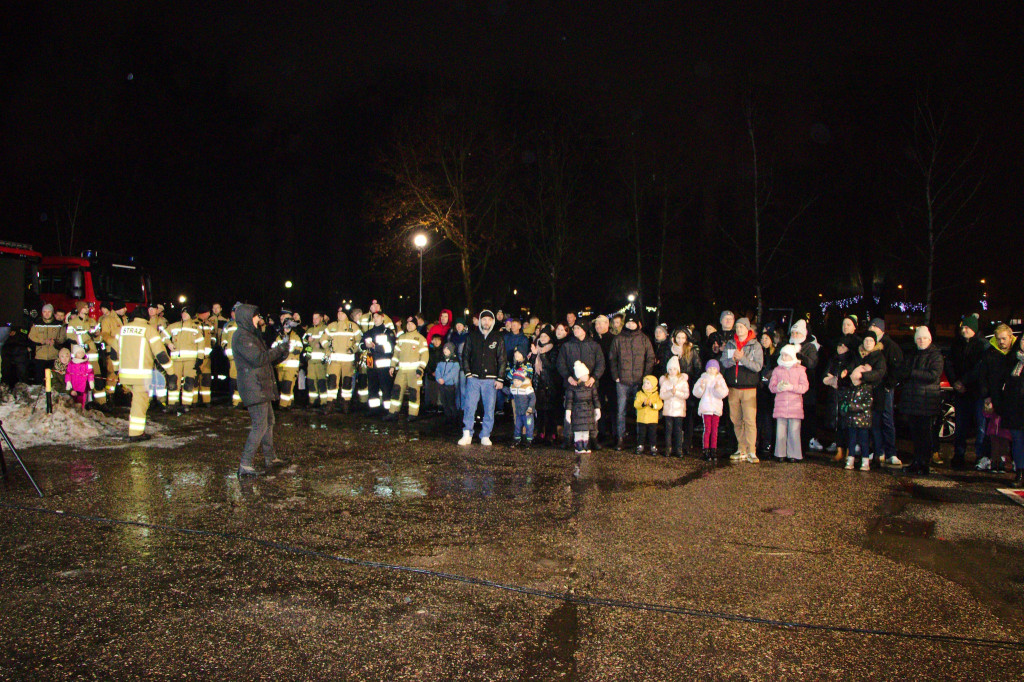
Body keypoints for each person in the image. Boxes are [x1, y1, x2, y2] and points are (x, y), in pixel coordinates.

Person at [231, 304, 289, 475]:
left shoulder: (251, 335)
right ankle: (245, 464)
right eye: (256, 316)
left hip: (260, 385)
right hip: (253, 386)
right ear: (248, 318)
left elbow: (265, 360)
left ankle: (270, 458)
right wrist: (278, 349)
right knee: (260, 425)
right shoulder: (241, 336)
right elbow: (257, 359)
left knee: (269, 422)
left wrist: (281, 353)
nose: (259, 319)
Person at [117, 307, 176, 442]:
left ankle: (136, 430)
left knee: (136, 402)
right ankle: (136, 433)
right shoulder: (148, 330)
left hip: (125, 374)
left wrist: (116, 369)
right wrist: (171, 371)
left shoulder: (124, 329)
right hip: (141, 375)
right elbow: (160, 354)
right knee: (140, 404)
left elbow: (116, 350)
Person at [969, 323, 1018, 471]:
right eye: (998, 339)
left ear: (1011, 337)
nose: (1001, 342)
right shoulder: (990, 353)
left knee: (1012, 433)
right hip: (995, 399)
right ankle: (992, 459)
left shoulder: (1016, 353)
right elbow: (983, 377)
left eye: (1004, 338)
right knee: (992, 431)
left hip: (1013, 400)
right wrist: (987, 397)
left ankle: (1013, 461)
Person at [898, 326, 944, 475]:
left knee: (925, 434)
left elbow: (933, 375)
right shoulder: (913, 354)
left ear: (929, 339)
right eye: (919, 338)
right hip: (913, 401)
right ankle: (916, 461)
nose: (922, 341)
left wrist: (912, 373)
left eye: (924, 338)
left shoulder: (935, 355)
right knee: (915, 434)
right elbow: (903, 371)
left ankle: (924, 463)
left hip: (926, 401)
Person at [836, 332, 886, 471]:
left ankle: (875, 456)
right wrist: (847, 373)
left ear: (875, 343)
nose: (868, 343)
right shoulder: (858, 354)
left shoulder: (878, 356)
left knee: (873, 429)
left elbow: (879, 373)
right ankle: (854, 457)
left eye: (871, 340)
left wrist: (862, 376)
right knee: (855, 433)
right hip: (856, 393)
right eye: (866, 340)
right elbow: (851, 368)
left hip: (873, 395)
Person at [458, 310, 506, 446]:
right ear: (480, 321)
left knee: (489, 408)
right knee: (469, 406)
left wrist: (500, 378)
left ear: (493, 321)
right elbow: (465, 356)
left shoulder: (498, 337)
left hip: (491, 379)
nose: (486, 322)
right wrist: (468, 373)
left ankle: (485, 434)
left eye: (489, 320)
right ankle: (467, 433)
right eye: (483, 319)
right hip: (474, 378)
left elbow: (502, 359)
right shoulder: (472, 336)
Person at [719, 317, 764, 463]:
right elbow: (724, 362)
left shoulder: (755, 345)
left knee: (750, 420)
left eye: (741, 327)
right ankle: (741, 448)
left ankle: (752, 450)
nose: (739, 330)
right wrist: (733, 359)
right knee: (736, 419)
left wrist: (742, 358)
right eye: (737, 327)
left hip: (749, 388)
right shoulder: (731, 344)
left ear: (747, 328)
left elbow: (758, 366)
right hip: (733, 387)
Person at [946, 313, 987, 469]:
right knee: (961, 426)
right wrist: (955, 382)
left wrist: (963, 381)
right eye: (963, 327)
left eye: (968, 328)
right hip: (961, 392)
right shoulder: (956, 344)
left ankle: (980, 456)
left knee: (980, 425)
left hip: (976, 391)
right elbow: (949, 363)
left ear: (974, 329)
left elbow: (980, 368)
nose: (964, 330)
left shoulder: (982, 345)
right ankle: (959, 454)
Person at [557, 320, 606, 450]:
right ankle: (568, 438)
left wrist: (594, 377)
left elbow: (601, 363)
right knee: (569, 411)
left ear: (584, 329)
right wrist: (568, 377)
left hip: (590, 385)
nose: (575, 330)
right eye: (574, 328)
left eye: (578, 328)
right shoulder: (567, 346)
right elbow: (560, 363)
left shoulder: (594, 346)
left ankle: (593, 439)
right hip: (571, 385)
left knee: (591, 413)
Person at [609, 313, 655, 449]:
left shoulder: (644, 339)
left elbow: (650, 358)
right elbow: (613, 358)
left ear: (637, 324)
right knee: (620, 411)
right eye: (628, 323)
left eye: (633, 323)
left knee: (639, 410)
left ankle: (639, 439)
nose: (630, 325)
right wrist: (615, 375)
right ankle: (620, 437)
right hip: (622, 380)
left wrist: (646, 377)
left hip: (639, 381)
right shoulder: (618, 339)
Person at [867, 318, 904, 468]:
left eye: (875, 327)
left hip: (885, 388)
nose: (872, 328)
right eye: (871, 326)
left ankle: (891, 452)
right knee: (874, 419)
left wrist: (889, 384)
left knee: (887, 419)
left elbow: (897, 368)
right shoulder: (870, 344)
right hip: (874, 388)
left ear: (882, 329)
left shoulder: (891, 346)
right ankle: (878, 450)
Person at [770, 344, 810, 463]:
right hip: (781, 404)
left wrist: (792, 387)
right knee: (780, 430)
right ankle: (780, 453)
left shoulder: (800, 370)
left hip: (795, 405)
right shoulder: (777, 369)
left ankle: (794, 454)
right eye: (782, 355)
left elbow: (804, 387)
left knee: (794, 430)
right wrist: (779, 387)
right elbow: (771, 386)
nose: (783, 357)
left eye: (786, 355)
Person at [994, 335, 1024, 488]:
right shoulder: (1012, 361)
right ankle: (1019, 473)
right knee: (1018, 441)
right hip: (1014, 409)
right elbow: (1001, 383)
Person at [385, 316, 429, 421]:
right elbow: (396, 354)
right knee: (396, 391)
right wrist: (392, 366)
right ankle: (393, 412)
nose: (409, 326)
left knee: (414, 393)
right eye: (408, 324)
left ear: (415, 325)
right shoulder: (401, 338)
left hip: (414, 372)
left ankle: (413, 414)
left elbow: (425, 356)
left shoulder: (421, 339)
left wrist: (421, 369)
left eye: (411, 324)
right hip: (401, 370)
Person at [822, 336, 856, 463]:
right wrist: (832, 379)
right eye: (838, 346)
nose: (840, 348)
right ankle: (839, 449)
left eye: (843, 346)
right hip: (834, 394)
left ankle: (848, 451)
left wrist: (838, 379)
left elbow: (847, 376)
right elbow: (826, 375)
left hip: (846, 394)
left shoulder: (851, 359)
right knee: (837, 423)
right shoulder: (834, 359)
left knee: (846, 423)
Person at [788, 319, 820, 451]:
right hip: (790, 388)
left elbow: (812, 363)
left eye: (797, 333)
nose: (795, 335)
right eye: (793, 333)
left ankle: (805, 443)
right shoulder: (788, 345)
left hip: (807, 389)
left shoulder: (810, 347)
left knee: (806, 417)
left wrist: (799, 356)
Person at [65, 302, 105, 404]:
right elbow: (70, 338)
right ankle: (80, 403)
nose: (87, 309)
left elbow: (99, 340)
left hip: (92, 354)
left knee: (96, 377)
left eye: (87, 307)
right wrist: (86, 335)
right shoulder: (73, 323)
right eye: (84, 307)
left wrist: (96, 335)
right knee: (79, 380)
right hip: (79, 358)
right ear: (79, 309)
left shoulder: (92, 321)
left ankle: (101, 402)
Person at [670, 328, 702, 453]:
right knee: (675, 416)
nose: (681, 340)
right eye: (678, 337)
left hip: (687, 386)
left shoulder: (692, 351)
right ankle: (675, 442)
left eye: (683, 338)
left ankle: (687, 443)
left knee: (688, 416)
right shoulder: (670, 350)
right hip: (673, 387)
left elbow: (698, 367)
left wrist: (689, 377)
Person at [165, 307, 204, 411]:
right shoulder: (173, 326)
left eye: (186, 313)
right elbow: (162, 335)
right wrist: (168, 343)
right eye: (183, 313)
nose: (184, 315)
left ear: (191, 315)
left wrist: (200, 358)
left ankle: (186, 404)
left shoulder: (196, 328)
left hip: (190, 360)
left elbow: (201, 344)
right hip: (176, 359)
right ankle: (172, 404)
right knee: (173, 382)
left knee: (189, 382)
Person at [362, 310, 397, 414]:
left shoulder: (388, 332)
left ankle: (388, 410)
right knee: (372, 388)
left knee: (386, 388)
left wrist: (375, 346)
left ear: (383, 317)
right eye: (374, 317)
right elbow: (360, 345)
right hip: (371, 364)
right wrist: (365, 346)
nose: (375, 318)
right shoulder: (369, 332)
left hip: (384, 365)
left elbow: (390, 348)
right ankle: (374, 409)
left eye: (377, 316)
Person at [532, 328, 562, 446]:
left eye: (545, 336)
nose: (543, 338)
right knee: (539, 411)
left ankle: (551, 433)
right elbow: (532, 364)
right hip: (538, 384)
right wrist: (534, 355)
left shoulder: (553, 349)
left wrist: (542, 355)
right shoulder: (536, 349)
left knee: (550, 411)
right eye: (541, 336)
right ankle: (540, 433)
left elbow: (552, 366)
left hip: (550, 384)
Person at [693, 360, 729, 461]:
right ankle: (706, 449)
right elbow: (696, 393)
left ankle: (713, 449)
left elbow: (724, 393)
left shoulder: (720, 379)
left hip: (716, 407)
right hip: (706, 407)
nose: (712, 370)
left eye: (714, 368)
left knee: (714, 430)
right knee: (707, 429)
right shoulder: (703, 378)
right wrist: (701, 387)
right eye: (710, 368)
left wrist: (717, 389)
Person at [565, 360, 600, 454]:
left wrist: (597, 408)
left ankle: (585, 445)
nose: (587, 376)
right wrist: (568, 411)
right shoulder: (573, 387)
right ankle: (578, 445)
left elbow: (595, 398)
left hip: (588, 411)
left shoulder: (591, 386)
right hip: (577, 412)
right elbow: (569, 400)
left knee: (586, 431)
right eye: (585, 375)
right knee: (578, 431)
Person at [592, 315, 617, 442]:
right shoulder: (593, 340)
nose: (598, 326)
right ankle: (601, 432)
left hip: (611, 377)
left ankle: (615, 433)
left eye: (601, 324)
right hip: (598, 379)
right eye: (596, 324)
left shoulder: (614, 339)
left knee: (613, 406)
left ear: (607, 324)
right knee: (598, 405)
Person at [28, 303, 67, 384]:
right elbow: (31, 336)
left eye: (49, 312)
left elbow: (63, 337)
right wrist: (43, 341)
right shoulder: (37, 323)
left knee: (53, 380)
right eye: (44, 311)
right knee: (39, 379)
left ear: (52, 313)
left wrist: (55, 341)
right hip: (40, 356)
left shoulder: (58, 324)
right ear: (42, 313)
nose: (46, 314)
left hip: (54, 356)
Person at [659, 357, 690, 457]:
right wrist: (670, 393)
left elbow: (686, 395)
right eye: (670, 369)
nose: (672, 371)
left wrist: (676, 393)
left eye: (674, 369)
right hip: (668, 410)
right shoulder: (665, 381)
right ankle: (668, 448)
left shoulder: (682, 381)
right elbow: (662, 395)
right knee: (668, 430)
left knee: (678, 430)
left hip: (679, 410)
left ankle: (679, 449)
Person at [507, 348, 536, 447]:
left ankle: (527, 437)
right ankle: (518, 437)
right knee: (517, 417)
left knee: (528, 421)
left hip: (524, 393)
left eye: (519, 353)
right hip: (515, 393)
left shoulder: (527, 365)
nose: (516, 355)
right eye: (515, 354)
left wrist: (519, 373)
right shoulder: (514, 365)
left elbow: (528, 376)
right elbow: (509, 376)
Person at [756, 329, 778, 458]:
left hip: (769, 391)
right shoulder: (759, 353)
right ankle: (758, 443)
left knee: (767, 418)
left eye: (766, 338)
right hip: (759, 389)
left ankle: (767, 444)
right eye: (762, 338)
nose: (764, 341)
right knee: (759, 418)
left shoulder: (774, 355)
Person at [434, 342, 463, 428]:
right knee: (444, 402)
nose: (445, 350)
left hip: (450, 385)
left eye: (447, 349)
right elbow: (437, 370)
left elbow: (453, 373)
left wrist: (444, 379)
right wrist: (439, 378)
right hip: (441, 384)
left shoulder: (455, 362)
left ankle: (454, 418)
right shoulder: (441, 360)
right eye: (444, 349)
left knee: (451, 403)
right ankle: (448, 418)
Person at [633, 375, 663, 455]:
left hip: (652, 419)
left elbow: (660, 405)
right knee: (641, 433)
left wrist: (653, 405)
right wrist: (642, 404)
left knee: (652, 434)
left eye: (648, 383)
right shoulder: (639, 394)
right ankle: (640, 445)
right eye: (645, 383)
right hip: (642, 418)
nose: (645, 385)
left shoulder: (656, 395)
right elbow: (636, 404)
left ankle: (653, 446)